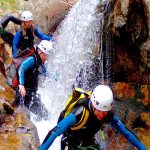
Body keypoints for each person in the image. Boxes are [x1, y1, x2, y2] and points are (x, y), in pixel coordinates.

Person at [39, 85, 147, 150]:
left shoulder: (107, 115)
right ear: (94, 105)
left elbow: (127, 133)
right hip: (70, 142)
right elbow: (54, 132)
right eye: (100, 111)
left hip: (87, 141)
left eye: (105, 112)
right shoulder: (79, 113)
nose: (102, 115)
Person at [12, 40, 53, 120]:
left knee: (45, 114)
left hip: (31, 94)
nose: (46, 58)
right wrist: (21, 85)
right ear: (40, 52)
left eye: (47, 56)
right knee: (44, 115)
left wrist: (56, 78)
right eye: (45, 55)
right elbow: (21, 68)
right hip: (24, 95)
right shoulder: (32, 59)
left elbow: (45, 72)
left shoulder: (39, 61)